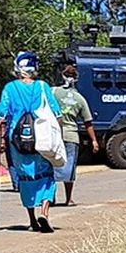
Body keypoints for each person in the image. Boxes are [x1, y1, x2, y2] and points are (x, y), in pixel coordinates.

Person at [0, 52, 61, 232]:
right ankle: (44, 213)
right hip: (42, 137)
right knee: (47, 175)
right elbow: (57, 112)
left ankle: (32, 219)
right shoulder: (43, 86)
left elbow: (0, 116)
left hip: (18, 140)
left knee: (25, 177)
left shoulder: (10, 88)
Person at [51, 64, 99, 206]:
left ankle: (50, 198)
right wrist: (94, 141)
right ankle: (68, 199)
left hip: (55, 135)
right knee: (69, 167)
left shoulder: (54, 92)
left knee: (52, 165)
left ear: (62, 76)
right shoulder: (80, 98)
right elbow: (88, 122)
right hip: (71, 136)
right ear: (75, 79)